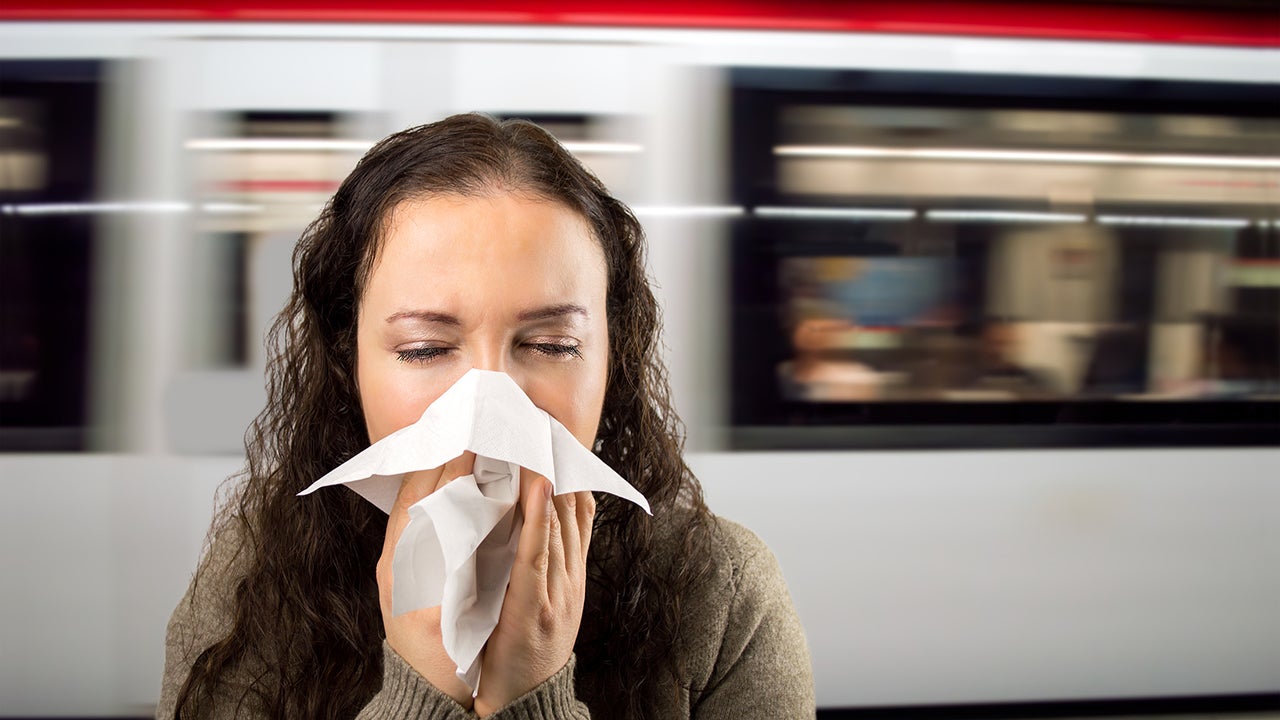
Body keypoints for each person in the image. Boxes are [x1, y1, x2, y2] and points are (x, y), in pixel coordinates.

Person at [159, 113, 815, 719]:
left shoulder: (721, 592)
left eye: (552, 345)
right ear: (348, 361)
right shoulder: (256, 578)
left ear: (613, 358)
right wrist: (423, 688)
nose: (489, 410)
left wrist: (534, 692)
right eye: (426, 349)